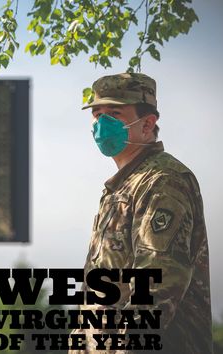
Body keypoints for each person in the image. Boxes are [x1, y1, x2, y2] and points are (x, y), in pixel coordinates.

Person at [69, 73, 213, 354]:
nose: (101, 123)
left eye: (114, 113)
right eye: (97, 114)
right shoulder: (123, 186)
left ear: (148, 124)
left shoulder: (162, 181)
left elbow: (156, 285)